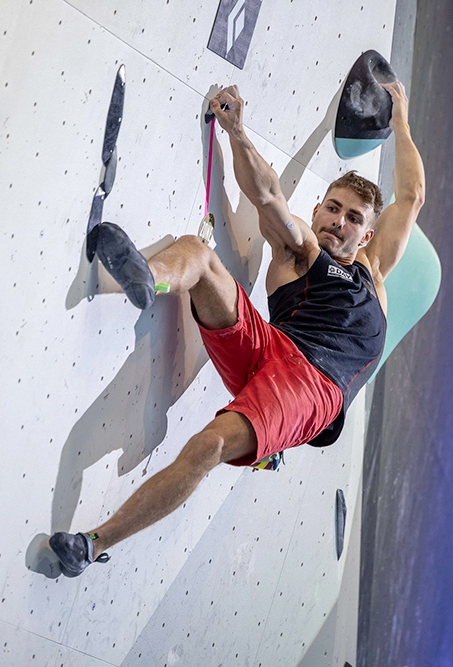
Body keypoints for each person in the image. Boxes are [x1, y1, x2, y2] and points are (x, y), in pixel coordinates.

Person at [49, 81, 425, 577]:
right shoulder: (302, 249)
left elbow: (413, 195)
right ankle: (146, 276)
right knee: (200, 256)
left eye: (352, 217)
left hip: (310, 388)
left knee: (208, 446)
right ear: (315, 211)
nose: (338, 221)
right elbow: (265, 194)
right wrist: (236, 131)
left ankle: (91, 545)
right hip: (267, 348)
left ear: (368, 234)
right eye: (331, 208)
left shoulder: (374, 273)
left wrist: (400, 120)